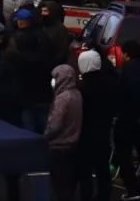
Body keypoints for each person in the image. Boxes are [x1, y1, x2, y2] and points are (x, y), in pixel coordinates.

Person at [76, 49, 115, 201]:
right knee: (102, 168)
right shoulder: (110, 83)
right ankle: (104, 196)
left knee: (84, 171)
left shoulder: (82, 88)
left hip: (85, 134)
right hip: (104, 131)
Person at [43, 65, 81, 201]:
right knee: (69, 188)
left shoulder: (62, 98)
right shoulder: (77, 94)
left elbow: (55, 125)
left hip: (59, 148)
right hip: (74, 147)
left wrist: (45, 137)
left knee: (60, 188)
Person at [114, 40, 140, 201]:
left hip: (129, 119)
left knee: (123, 154)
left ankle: (133, 189)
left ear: (126, 54)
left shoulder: (129, 71)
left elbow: (127, 94)